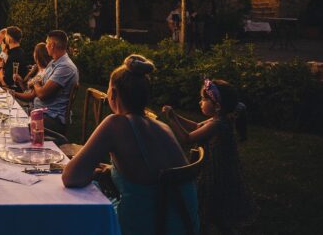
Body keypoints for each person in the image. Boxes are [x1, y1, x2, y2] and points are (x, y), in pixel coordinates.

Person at [62, 55, 198, 235]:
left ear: (114, 94)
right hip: (182, 226)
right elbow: (150, 172)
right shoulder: (162, 126)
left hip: (146, 226)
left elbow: (71, 177)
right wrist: (111, 171)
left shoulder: (115, 124)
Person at [162, 79, 256, 232]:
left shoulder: (218, 124)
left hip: (218, 173)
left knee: (216, 210)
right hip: (219, 169)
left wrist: (172, 120)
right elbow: (197, 126)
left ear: (217, 106)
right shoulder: (219, 119)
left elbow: (187, 138)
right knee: (216, 212)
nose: (200, 102)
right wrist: (176, 115)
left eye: (204, 99)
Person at [11, 31, 78, 134]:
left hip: (52, 118)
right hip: (39, 111)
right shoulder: (54, 62)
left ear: (52, 45)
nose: (46, 46)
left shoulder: (65, 67)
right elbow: (38, 88)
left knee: (13, 125)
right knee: (8, 113)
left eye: (47, 43)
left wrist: (35, 82)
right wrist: (36, 83)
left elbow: (42, 94)